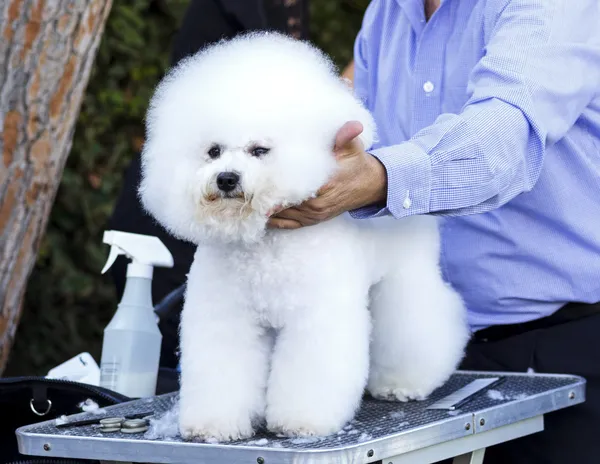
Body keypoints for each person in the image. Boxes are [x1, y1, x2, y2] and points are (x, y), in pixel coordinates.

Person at [268, 0, 600, 462]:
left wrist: (379, 178)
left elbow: (498, 141)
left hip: (559, 356)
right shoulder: (385, 14)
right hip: (412, 355)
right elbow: (356, 140)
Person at [107, 0, 311, 369]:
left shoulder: (292, 10)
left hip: (238, 216)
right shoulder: (231, 14)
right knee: (185, 353)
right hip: (188, 221)